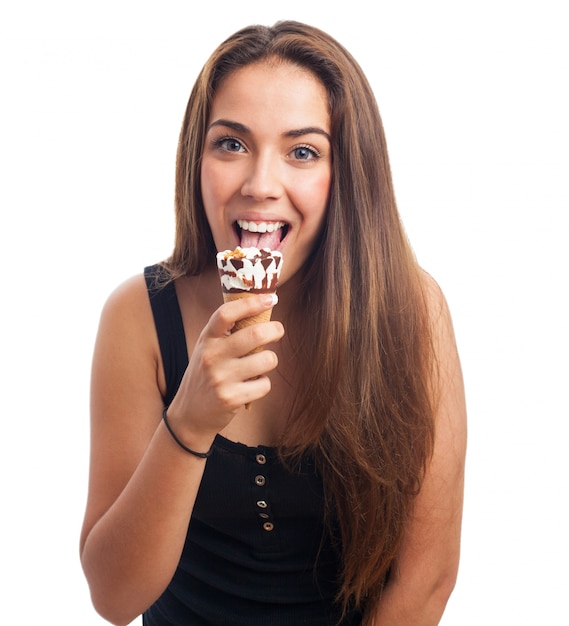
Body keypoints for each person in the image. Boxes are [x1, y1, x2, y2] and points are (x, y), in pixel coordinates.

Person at [80, 20, 467, 626]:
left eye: (303, 152)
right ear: (196, 160)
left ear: (347, 177)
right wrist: (189, 421)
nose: (261, 185)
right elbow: (114, 597)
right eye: (231, 144)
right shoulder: (138, 315)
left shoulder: (412, 312)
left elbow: (426, 582)